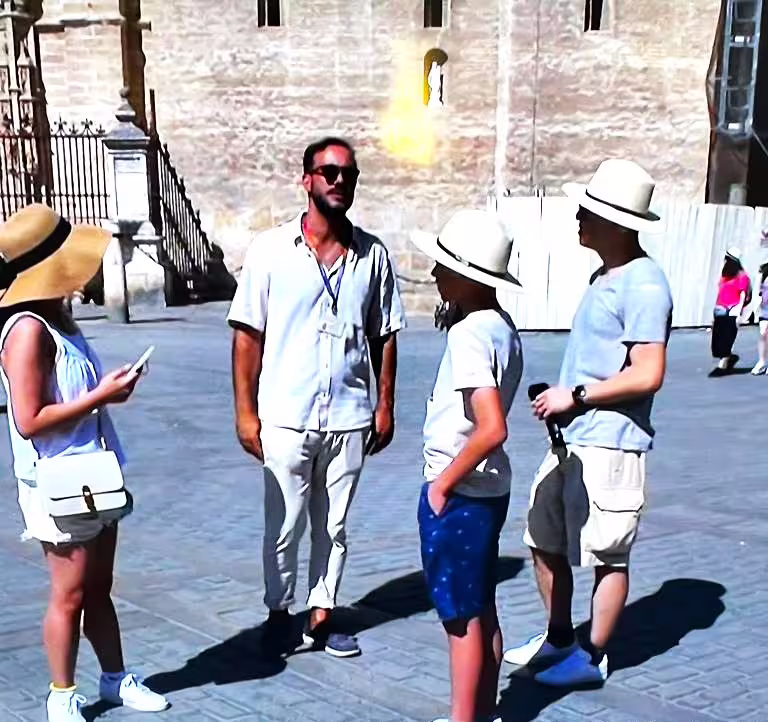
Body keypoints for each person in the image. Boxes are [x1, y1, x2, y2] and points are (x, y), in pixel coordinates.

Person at [228, 137, 406, 658]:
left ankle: (323, 613)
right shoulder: (270, 250)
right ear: (306, 179)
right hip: (285, 414)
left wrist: (385, 404)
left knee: (334, 525)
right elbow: (246, 335)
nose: (338, 181)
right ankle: (279, 613)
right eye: (327, 172)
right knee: (283, 523)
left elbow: (385, 333)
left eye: (347, 174)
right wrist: (245, 413)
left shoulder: (373, 255)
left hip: (349, 415)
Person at [503, 159, 673, 687]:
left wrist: (575, 395)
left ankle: (591, 656)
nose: (579, 217)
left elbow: (649, 373)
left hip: (613, 444)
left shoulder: (645, 284)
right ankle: (559, 638)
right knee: (542, 536)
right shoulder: (606, 275)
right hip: (575, 438)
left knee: (608, 553)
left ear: (617, 221)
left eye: (588, 211)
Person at [0, 205, 169, 721]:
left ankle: (116, 678)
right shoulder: (27, 330)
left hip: (92, 473)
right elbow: (29, 419)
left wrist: (101, 391)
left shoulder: (58, 318)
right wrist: (101, 395)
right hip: (58, 480)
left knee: (98, 588)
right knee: (69, 594)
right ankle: (61, 695)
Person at [410, 209, 523, 722]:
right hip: (489, 491)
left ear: (467, 276)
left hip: (460, 491)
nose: (435, 274)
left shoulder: (469, 334)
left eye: (443, 266)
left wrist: (442, 486)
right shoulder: (502, 327)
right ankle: (484, 709)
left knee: (460, 618)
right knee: (481, 605)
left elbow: (491, 426)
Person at [712, 247, 751, 373]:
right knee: (717, 339)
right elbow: (721, 291)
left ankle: (724, 361)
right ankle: (728, 357)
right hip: (720, 307)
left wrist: (738, 312)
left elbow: (743, 295)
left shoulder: (742, 276)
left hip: (732, 308)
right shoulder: (725, 274)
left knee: (727, 337)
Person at [751, 254, 768, 375]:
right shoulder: (763, 274)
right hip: (765, 308)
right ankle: (761, 361)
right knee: (763, 333)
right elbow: (757, 291)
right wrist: (755, 307)